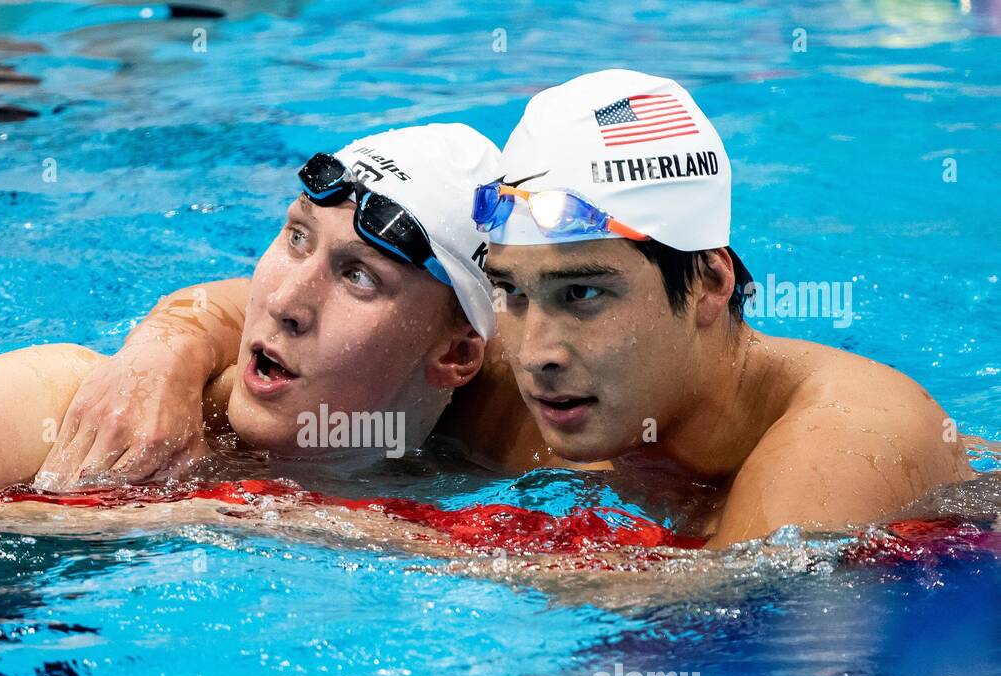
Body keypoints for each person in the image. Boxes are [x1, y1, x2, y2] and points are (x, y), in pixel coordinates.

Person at [48, 70, 975, 547]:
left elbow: (715, 635)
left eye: (583, 294)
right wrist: (157, 357)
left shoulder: (846, 431)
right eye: (514, 297)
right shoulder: (533, 370)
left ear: (712, 286)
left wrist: (272, 518)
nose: (534, 350)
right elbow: (272, 306)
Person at [0, 124, 527, 506]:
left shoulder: (486, 470)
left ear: (457, 355)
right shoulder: (69, 399)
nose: (284, 303)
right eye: (294, 239)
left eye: (357, 278)